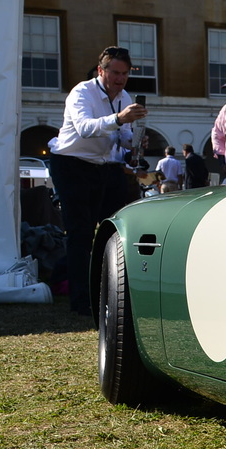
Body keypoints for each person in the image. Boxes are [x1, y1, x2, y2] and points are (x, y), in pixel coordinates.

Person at [46, 46, 148, 313]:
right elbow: (85, 128)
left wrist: (134, 141)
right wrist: (118, 118)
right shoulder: (81, 92)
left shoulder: (124, 96)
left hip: (105, 165)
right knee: (79, 232)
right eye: (115, 72)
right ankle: (80, 301)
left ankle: (110, 292)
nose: (120, 79)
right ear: (101, 70)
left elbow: (121, 135)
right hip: (71, 164)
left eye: (125, 73)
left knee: (115, 228)